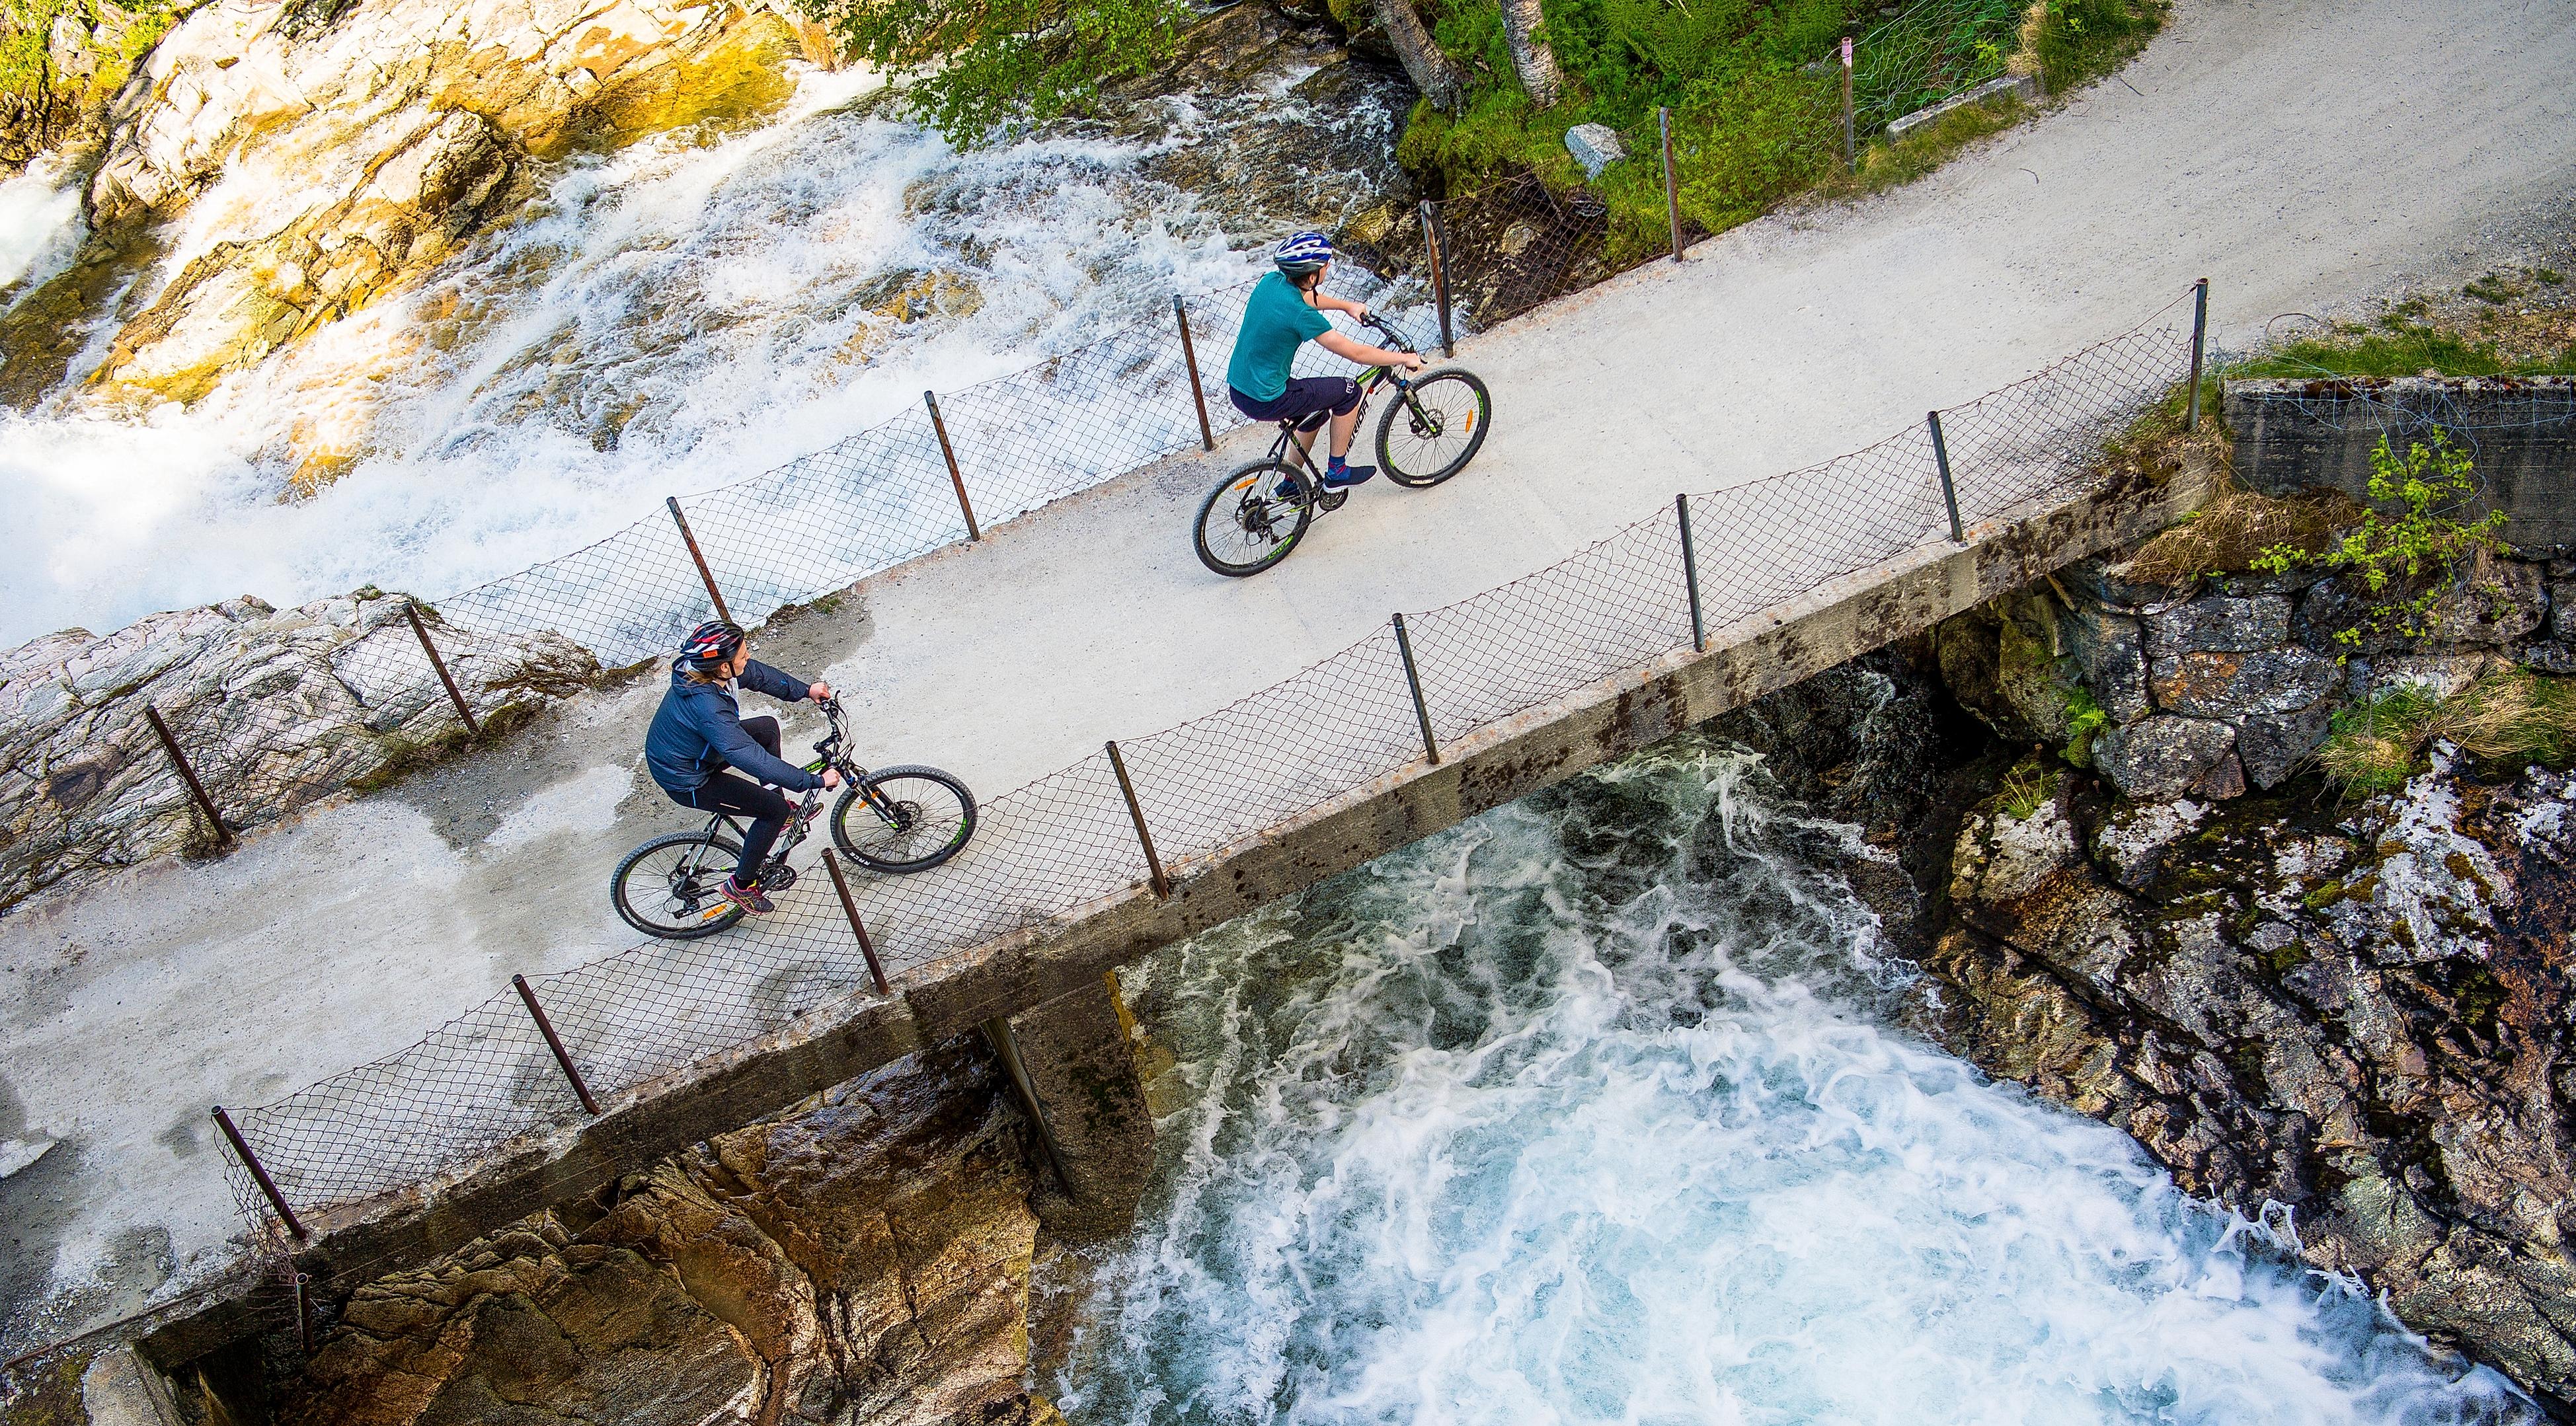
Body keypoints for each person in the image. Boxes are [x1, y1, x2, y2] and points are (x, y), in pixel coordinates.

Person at [643, 620, 839, 915]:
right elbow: (746, 755)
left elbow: (758, 675)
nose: (747, 658)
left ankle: (778, 803)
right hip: (688, 779)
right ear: (724, 667)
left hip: (697, 751)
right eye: (743, 656)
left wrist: (805, 690)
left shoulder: (708, 672)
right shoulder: (707, 706)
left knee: (767, 728)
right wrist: (811, 781)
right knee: (773, 812)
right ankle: (741, 885)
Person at [1224, 231, 1426, 490]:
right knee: (1349, 392)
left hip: (1241, 387)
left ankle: (1291, 483)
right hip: (1267, 397)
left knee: (1314, 413)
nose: (1328, 268)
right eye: (1325, 266)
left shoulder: (1271, 282)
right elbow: (1356, 354)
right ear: (1312, 276)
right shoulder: (1300, 315)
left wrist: (1347, 306)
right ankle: (1337, 472)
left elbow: (1306, 297)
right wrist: (1403, 357)